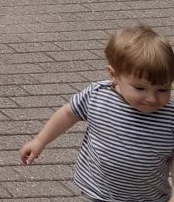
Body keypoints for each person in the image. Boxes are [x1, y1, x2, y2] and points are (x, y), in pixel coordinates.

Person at [20, 25, 174, 202]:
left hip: (148, 197)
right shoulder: (97, 95)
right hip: (98, 190)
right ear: (114, 75)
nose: (152, 98)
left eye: (163, 89)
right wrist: (40, 140)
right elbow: (68, 113)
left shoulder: (170, 117)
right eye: (140, 88)